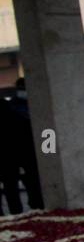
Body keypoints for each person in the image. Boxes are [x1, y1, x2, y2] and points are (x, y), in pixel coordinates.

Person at [6, 79, 42, 210]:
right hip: (19, 151)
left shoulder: (38, 104)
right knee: (25, 181)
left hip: (33, 149)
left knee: (35, 181)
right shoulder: (11, 106)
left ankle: (36, 203)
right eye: (20, 88)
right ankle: (31, 205)